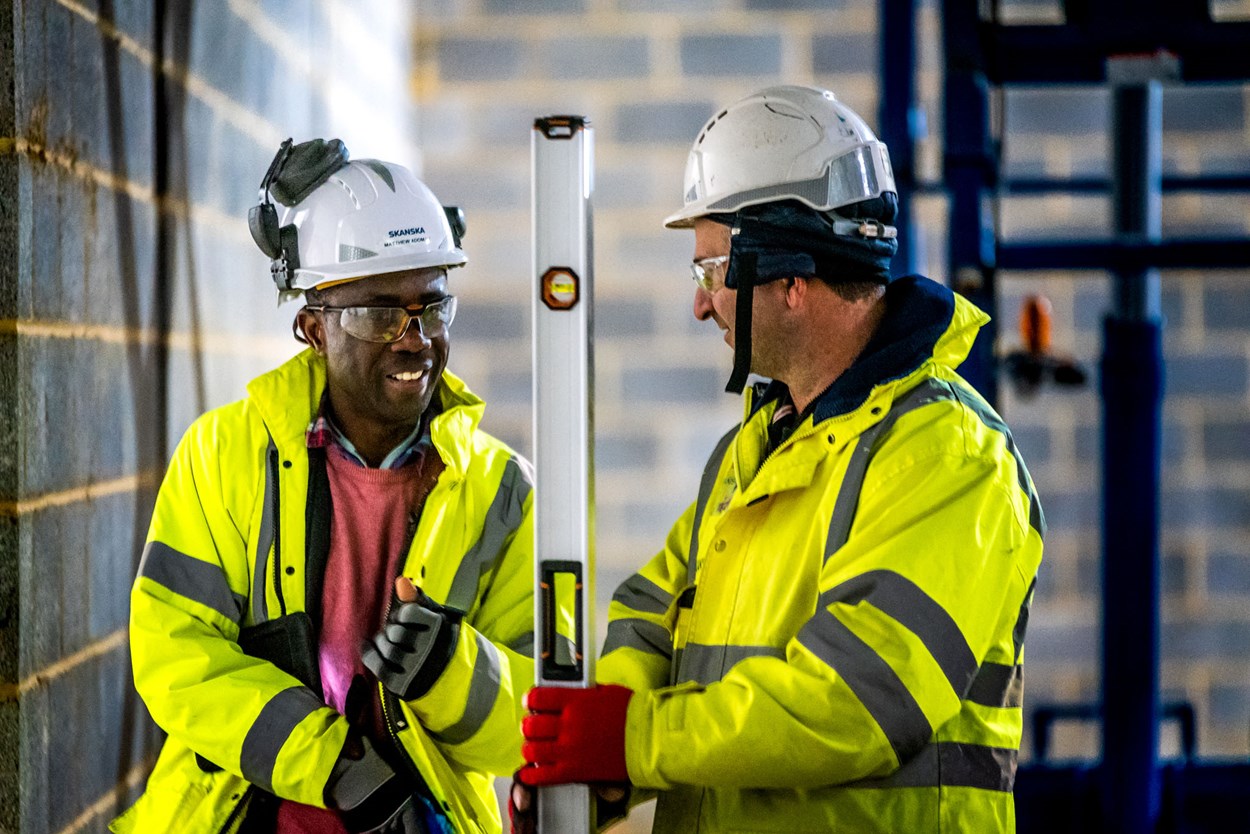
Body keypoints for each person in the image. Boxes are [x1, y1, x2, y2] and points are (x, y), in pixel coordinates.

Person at [514, 85, 1045, 832]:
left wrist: (635, 742)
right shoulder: (757, 449)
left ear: (790, 278)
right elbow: (650, 616)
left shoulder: (947, 457)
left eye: (709, 273)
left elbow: (856, 701)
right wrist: (600, 761)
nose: (701, 305)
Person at [113, 138, 537, 834]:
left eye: (431, 308)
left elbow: (532, 726)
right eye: (378, 313)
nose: (414, 338)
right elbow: (176, 656)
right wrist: (338, 767)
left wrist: (450, 670)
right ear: (312, 328)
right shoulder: (225, 457)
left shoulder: (501, 493)